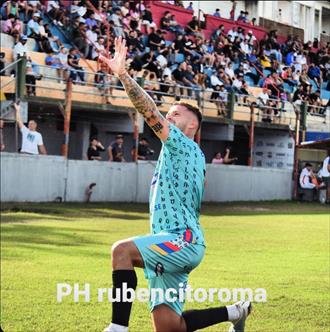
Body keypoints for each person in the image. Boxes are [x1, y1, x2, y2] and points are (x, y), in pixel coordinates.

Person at [100, 37, 251, 332]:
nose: (169, 116)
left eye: (176, 114)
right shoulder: (192, 155)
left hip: (180, 240)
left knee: (121, 251)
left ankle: (117, 328)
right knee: (171, 328)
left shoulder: (182, 144)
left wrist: (122, 74)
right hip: (175, 243)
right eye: (169, 113)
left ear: (192, 125)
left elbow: (149, 112)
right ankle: (236, 311)